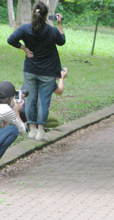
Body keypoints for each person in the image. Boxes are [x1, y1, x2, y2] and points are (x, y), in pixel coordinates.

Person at [7, 1, 65, 142]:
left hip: (30, 71)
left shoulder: (26, 29)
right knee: (43, 102)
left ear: (33, 13)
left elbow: (11, 40)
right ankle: (40, 132)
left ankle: (32, 130)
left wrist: (24, 48)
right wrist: (59, 24)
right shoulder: (52, 31)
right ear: (46, 15)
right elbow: (62, 41)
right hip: (48, 73)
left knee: (31, 100)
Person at [0, 81, 26, 169]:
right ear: (12, 98)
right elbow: (22, 130)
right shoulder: (6, 109)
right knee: (13, 130)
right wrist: (16, 112)